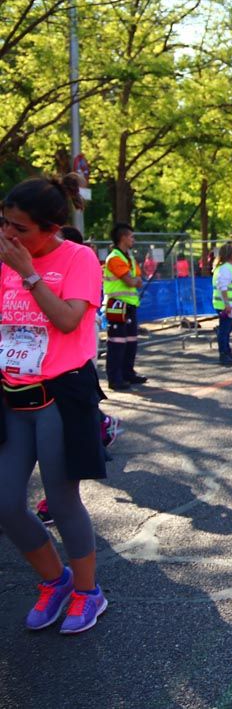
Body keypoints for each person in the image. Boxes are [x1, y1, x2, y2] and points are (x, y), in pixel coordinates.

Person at [0, 174, 110, 634]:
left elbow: (67, 320)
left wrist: (29, 274)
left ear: (50, 229)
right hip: (12, 393)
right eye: (3, 223)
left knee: (63, 501)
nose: (8, 235)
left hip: (61, 395)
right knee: (5, 504)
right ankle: (55, 580)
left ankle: (88, 592)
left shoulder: (78, 258)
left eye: (20, 228)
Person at [103, 223, 147, 390]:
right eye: (131, 236)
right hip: (117, 305)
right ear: (123, 238)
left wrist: (134, 281)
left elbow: (138, 280)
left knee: (131, 341)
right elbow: (130, 281)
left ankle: (128, 373)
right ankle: (115, 378)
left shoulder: (129, 257)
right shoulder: (115, 258)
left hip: (130, 305)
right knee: (117, 342)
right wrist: (134, 281)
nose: (133, 239)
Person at [212, 242, 232, 366]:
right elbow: (223, 287)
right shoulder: (226, 268)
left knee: (226, 329)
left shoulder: (225, 267)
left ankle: (227, 352)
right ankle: (224, 354)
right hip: (226, 305)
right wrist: (227, 304)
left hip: (226, 304)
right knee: (224, 330)